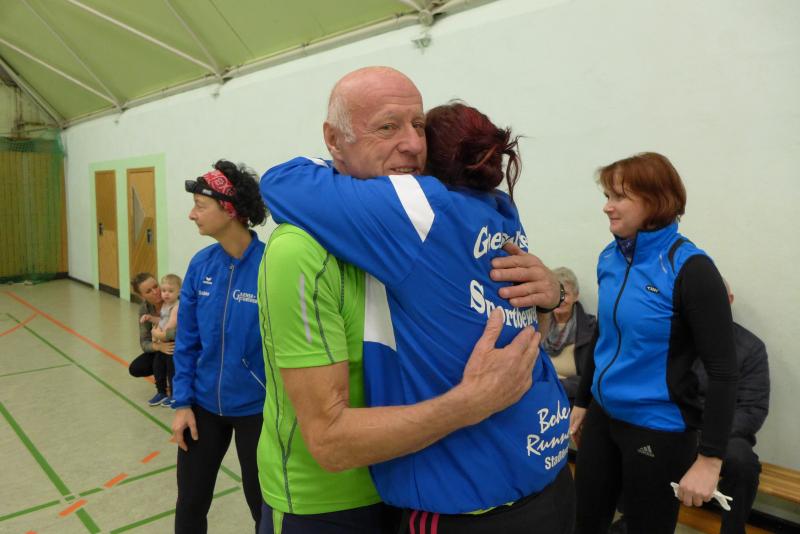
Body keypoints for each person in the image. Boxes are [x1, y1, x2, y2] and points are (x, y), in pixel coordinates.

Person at [258, 68, 572, 534]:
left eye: (419, 126)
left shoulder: (435, 219)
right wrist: (469, 403)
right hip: (332, 502)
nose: (412, 144)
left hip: (419, 481)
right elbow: (328, 440)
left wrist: (548, 297)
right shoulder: (300, 250)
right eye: (388, 127)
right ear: (334, 139)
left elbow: (513, 341)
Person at [569, 152, 739, 534]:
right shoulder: (610, 258)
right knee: (584, 523)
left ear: (655, 201)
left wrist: (710, 459)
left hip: (658, 427)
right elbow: (604, 334)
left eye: (619, 197)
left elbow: (724, 372)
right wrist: (582, 402)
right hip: (604, 417)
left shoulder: (692, 269)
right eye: (607, 195)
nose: (607, 206)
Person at [610, 279, 770, 534]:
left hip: (724, 431)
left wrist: (709, 435)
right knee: (636, 441)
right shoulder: (669, 337)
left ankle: (732, 530)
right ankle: (632, 519)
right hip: (671, 423)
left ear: (729, 301)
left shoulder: (751, 348)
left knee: (744, 463)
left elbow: (753, 409)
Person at [171, 160, 268, 534]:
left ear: (229, 210)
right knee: (190, 503)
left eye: (200, 205)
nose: (191, 214)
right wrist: (182, 403)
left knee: (263, 506)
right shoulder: (201, 265)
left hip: (258, 410)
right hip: (202, 407)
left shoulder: (270, 265)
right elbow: (187, 341)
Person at [542, 266, 597, 402]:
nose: (560, 299)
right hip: (539, 391)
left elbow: (591, 378)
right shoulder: (538, 324)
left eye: (565, 294)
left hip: (570, 398)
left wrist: (556, 386)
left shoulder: (590, 329)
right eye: (556, 293)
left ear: (576, 296)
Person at [128, 272, 175, 406]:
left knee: (172, 355)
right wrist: (159, 347)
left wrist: (160, 336)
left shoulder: (174, 301)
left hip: (179, 345)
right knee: (136, 368)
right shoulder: (144, 309)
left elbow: (183, 331)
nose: (155, 292)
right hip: (162, 346)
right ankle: (162, 390)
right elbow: (144, 342)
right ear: (142, 296)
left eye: (156, 286)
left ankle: (176, 390)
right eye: (149, 291)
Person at [141, 273, 182, 406]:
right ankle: (161, 392)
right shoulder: (165, 304)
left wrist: (157, 334)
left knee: (171, 369)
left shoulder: (176, 306)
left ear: (179, 292)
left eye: (170, 291)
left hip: (171, 344)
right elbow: (162, 320)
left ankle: (174, 394)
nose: (166, 294)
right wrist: (150, 318)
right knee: (158, 366)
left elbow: (170, 325)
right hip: (162, 343)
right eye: (164, 290)